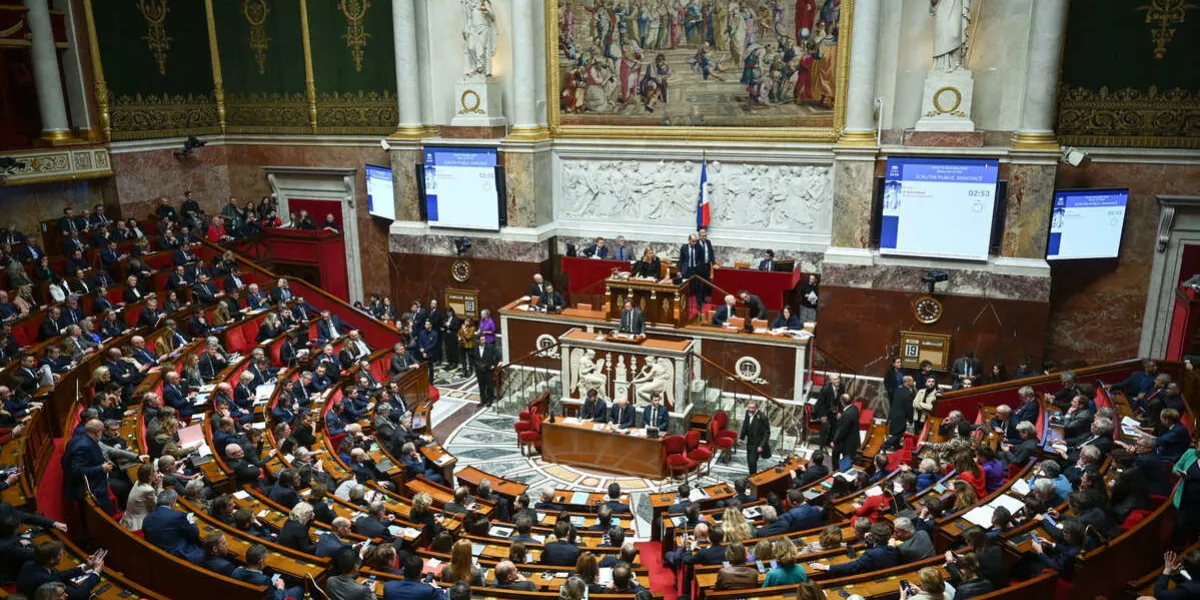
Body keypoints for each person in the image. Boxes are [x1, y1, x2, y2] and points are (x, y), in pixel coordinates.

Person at [17, 541, 102, 600]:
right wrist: (96, 573)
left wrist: (86, 567)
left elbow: (58, 575)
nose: (62, 556)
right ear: (51, 560)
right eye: (60, 555)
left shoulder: (29, 564)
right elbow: (79, 594)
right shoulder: (46, 579)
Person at [233, 543, 306, 600]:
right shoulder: (264, 580)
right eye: (265, 558)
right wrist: (280, 588)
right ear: (261, 561)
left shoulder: (236, 571)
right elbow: (275, 598)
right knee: (299, 589)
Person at [830, 394, 860, 472]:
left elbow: (841, 430)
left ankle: (836, 470)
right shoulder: (855, 408)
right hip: (854, 438)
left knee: (836, 454)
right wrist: (842, 416)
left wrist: (834, 441)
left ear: (842, 402)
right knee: (847, 457)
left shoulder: (846, 415)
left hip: (846, 441)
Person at [739, 400, 770, 473]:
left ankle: (753, 476)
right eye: (749, 408)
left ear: (757, 407)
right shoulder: (747, 413)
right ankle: (752, 475)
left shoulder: (762, 417)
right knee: (749, 461)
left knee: (752, 461)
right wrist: (741, 437)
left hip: (757, 444)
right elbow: (745, 426)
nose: (751, 410)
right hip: (749, 442)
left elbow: (767, 433)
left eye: (753, 408)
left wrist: (761, 445)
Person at [886, 376, 916, 450]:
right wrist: (911, 420)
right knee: (897, 434)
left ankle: (896, 447)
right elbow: (909, 408)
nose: (913, 382)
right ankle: (885, 446)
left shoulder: (897, 390)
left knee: (896, 433)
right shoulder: (908, 393)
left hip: (893, 414)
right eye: (912, 381)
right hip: (901, 416)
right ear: (908, 382)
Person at [473, 336, 498, 408]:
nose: (483, 341)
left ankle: (490, 400)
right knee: (481, 386)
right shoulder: (475, 348)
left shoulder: (490, 347)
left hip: (488, 370)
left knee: (489, 386)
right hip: (479, 370)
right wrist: (476, 365)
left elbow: (498, 357)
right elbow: (473, 357)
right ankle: (483, 400)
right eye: (481, 340)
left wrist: (493, 365)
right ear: (478, 341)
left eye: (484, 340)